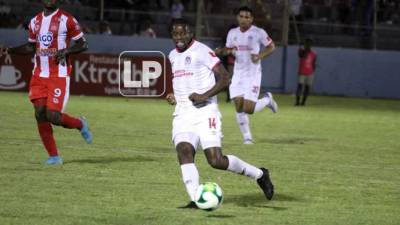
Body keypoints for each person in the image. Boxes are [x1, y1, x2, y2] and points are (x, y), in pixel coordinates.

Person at [166, 19, 274, 209]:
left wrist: (204, 96)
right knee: (184, 151)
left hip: (206, 111)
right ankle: (196, 199)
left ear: (190, 33)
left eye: (182, 33)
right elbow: (183, 80)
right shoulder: (172, 55)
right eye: (175, 33)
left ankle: (260, 174)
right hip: (183, 114)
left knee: (216, 160)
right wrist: (175, 96)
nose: (179, 37)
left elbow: (225, 78)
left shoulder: (202, 51)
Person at [0, 0, 92, 165]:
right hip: (39, 75)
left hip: (58, 75)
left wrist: (67, 51)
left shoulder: (67, 19)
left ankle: (80, 123)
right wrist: (10, 50)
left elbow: (83, 44)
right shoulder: (35, 21)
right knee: (40, 114)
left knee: (53, 116)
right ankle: (54, 156)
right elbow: (31, 47)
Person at [215, 6, 278, 145]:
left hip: (253, 74)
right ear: (238, 18)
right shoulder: (232, 33)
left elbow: (272, 46)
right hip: (238, 74)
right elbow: (229, 49)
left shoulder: (258, 32)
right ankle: (247, 137)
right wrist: (222, 51)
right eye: (241, 16)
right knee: (238, 106)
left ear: (251, 19)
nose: (244, 19)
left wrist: (260, 56)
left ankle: (267, 100)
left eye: (247, 17)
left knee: (248, 109)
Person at [295, 38, 317, 106]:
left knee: (307, 88)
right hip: (302, 73)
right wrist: (304, 49)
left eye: (309, 44)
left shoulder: (314, 53)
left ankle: (303, 102)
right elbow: (301, 55)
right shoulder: (301, 51)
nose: (308, 45)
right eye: (307, 43)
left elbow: (314, 63)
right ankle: (297, 102)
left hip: (310, 73)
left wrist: (313, 71)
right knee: (300, 87)